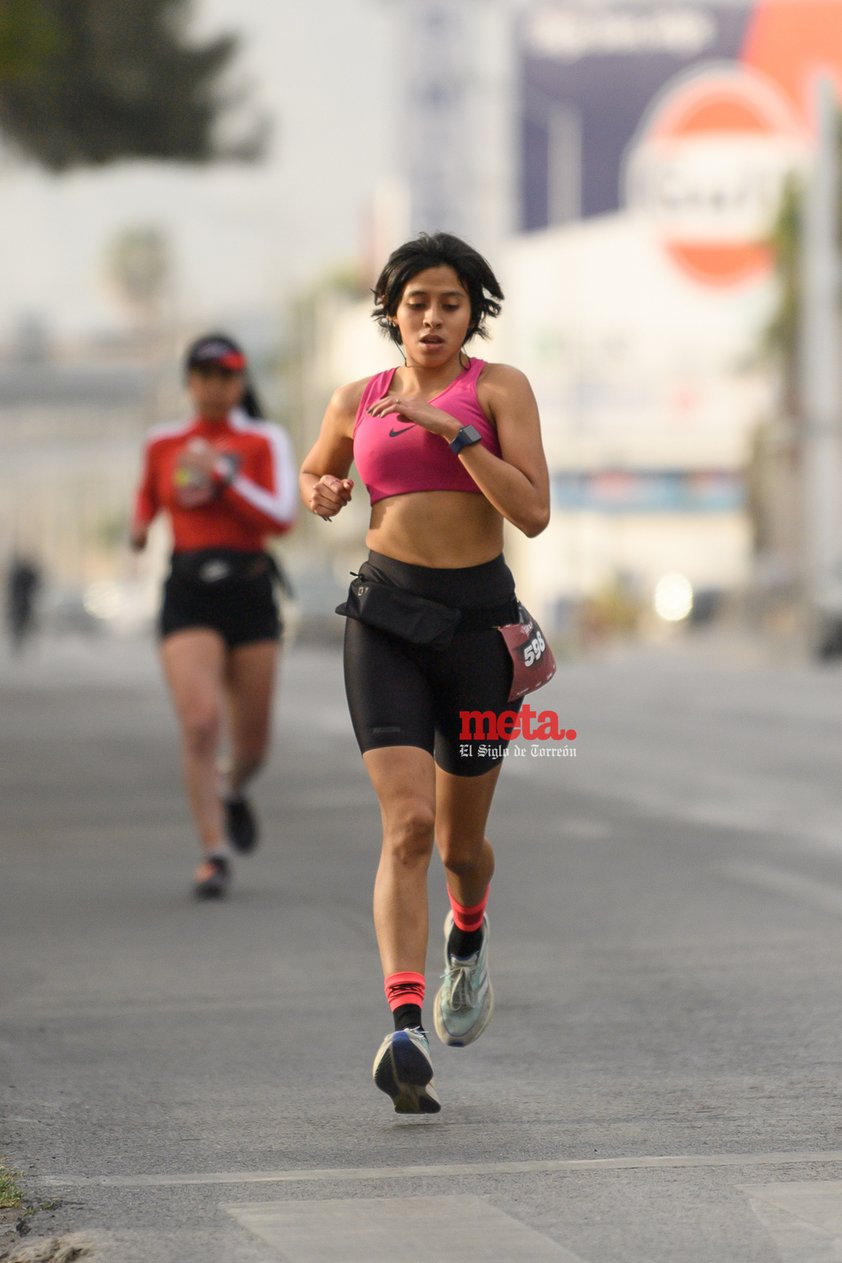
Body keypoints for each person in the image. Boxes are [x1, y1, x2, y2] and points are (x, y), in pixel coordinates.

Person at [299, 233, 550, 1114]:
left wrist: (459, 436)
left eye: (450, 303)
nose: (433, 318)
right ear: (392, 313)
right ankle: (404, 1025)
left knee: (458, 847)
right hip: (384, 621)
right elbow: (317, 469)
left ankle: (468, 936)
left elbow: (535, 512)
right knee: (405, 824)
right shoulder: (357, 398)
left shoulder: (500, 390)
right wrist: (321, 491)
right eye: (416, 304)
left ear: (472, 312)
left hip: (480, 629)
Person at [130, 333, 297, 898]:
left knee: (252, 748)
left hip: (249, 591)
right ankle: (214, 852)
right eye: (205, 374)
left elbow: (281, 517)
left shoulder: (263, 438)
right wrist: (138, 528)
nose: (217, 385)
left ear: (241, 382)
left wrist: (224, 477)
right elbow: (146, 503)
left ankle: (232, 787)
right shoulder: (164, 442)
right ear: (189, 382)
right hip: (188, 593)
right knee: (201, 723)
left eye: (228, 375)